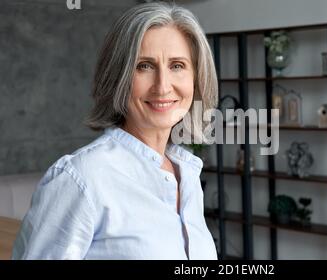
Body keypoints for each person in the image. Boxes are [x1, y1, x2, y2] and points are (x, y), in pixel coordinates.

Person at [11, 2, 218, 260]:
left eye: (177, 65)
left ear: (196, 78)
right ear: (118, 77)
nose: (163, 86)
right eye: (144, 65)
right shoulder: (81, 179)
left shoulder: (187, 174)